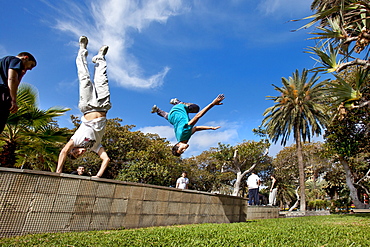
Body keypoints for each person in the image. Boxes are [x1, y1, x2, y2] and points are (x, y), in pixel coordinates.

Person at [57, 36, 111, 178]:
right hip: (103, 107)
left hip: (87, 107)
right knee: (102, 79)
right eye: (78, 155)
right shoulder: (95, 146)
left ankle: (82, 50)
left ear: (73, 149)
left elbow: (63, 151)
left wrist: (58, 173)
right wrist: (97, 177)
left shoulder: (75, 140)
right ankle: (100, 58)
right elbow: (106, 159)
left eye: (75, 152)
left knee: (84, 78)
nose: (79, 153)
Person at [151, 94, 225, 156]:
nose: (184, 150)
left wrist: (212, 104)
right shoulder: (183, 139)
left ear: (177, 145)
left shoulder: (183, 133)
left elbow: (197, 116)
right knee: (166, 116)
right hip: (172, 118)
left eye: (181, 150)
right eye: (183, 151)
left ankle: (177, 102)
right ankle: (157, 110)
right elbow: (195, 128)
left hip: (178, 110)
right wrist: (211, 128)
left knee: (196, 108)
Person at [0, 52, 37, 134]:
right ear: (25, 58)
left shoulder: (3, 61)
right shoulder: (16, 60)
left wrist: (20, 76)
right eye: (31, 65)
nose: (30, 69)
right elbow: (12, 79)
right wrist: (13, 100)